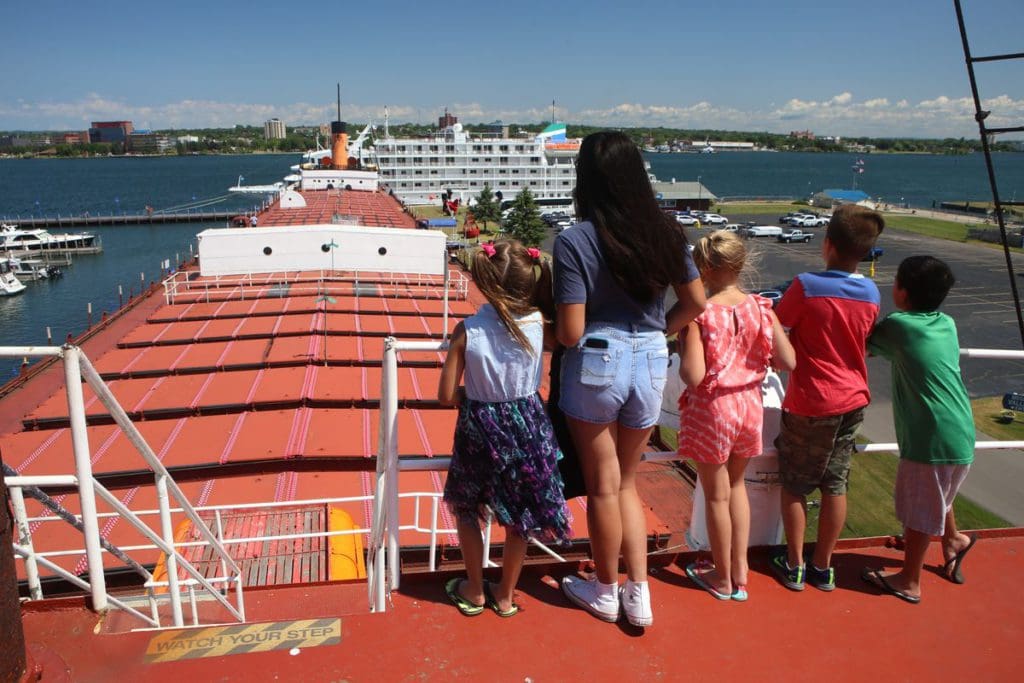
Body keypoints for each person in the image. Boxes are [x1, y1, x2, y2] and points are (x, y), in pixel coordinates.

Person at [554, 131, 705, 627]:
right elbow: (696, 303)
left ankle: (603, 589)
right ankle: (638, 593)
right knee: (627, 483)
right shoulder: (666, 232)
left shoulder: (575, 240)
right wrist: (659, 330)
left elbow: (572, 332)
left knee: (602, 486)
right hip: (648, 359)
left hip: (597, 362)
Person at [439, 239, 571, 618]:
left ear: (486, 283)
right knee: (520, 516)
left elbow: (446, 395)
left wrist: (470, 394)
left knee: (468, 506)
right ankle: (506, 594)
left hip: (481, 425)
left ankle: (474, 588)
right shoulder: (539, 325)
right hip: (529, 422)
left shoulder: (468, 330)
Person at [770, 204, 884, 592]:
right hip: (853, 399)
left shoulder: (805, 285)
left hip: (812, 400)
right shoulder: (871, 292)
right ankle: (823, 566)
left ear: (828, 244)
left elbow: (778, 325)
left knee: (796, 484)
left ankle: (795, 564)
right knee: (835, 483)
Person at [678, 231, 796, 601]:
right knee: (736, 487)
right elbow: (787, 361)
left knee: (715, 496)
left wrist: (684, 344)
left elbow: (694, 375)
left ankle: (722, 577)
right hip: (750, 404)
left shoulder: (700, 314)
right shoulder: (761, 307)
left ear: (705, 268)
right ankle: (740, 571)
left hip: (714, 408)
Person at [862, 255, 977, 603]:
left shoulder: (900, 326)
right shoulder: (947, 323)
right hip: (958, 429)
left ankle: (909, 581)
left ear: (903, 291)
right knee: (936, 494)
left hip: (931, 438)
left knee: (920, 510)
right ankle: (954, 539)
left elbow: (864, 342)